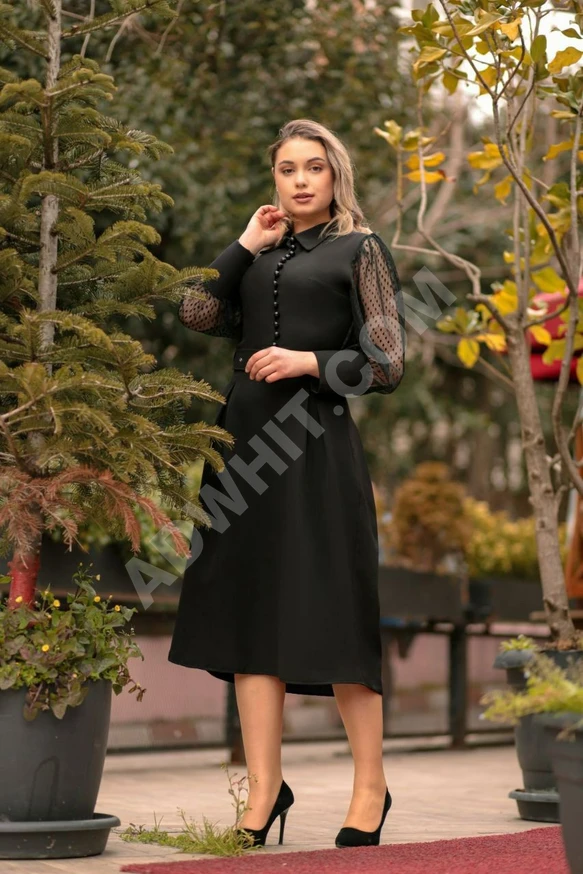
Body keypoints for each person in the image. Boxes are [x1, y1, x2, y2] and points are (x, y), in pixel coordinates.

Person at [168, 119, 406, 850]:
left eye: (313, 168)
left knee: (335, 614)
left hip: (314, 448)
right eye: (286, 169)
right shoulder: (260, 252)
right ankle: (264, 791)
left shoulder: (360, 249)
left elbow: (388, 362)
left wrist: (309, 362)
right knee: (250, 616)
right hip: (242, 452)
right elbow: (197, 310)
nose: (300, 181)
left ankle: (370, 788)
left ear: (335, 176)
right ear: (273, 179)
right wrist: (244, 242)